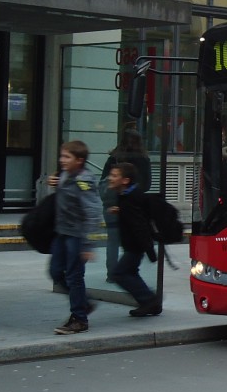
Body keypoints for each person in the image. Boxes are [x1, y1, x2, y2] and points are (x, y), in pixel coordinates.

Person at [48, 140, 104, 335]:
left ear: (79, 161)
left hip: (76, 236)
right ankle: (83, 303)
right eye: (61, 156)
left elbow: (93, 210)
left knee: (74, 277)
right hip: (62, 233)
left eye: (66, 157)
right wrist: (54, 184)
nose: (61, 160)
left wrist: (87, 244)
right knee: (55, 272)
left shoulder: (84, 180)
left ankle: (79, 318)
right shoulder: (65, 175)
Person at [105, 161, 161, 317]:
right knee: (130, 272)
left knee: (119, 273)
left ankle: (150, 301)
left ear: (125, 181)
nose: (110, 178)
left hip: (135, 245)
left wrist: (149, 250)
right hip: (132, 244)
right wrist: (120, 210)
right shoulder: (126, 196)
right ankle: (149, 302)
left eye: (114, 175)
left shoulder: (130, 199)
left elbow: (140, 225)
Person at [101, 129, 151, 277]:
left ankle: (112, 273)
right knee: (133, 241)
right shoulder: (143, 159)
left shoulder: (114, 158)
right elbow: (147, 184)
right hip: (133, 205)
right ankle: (129, 271)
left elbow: (104, 181)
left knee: (113, 240)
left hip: (111, 204)